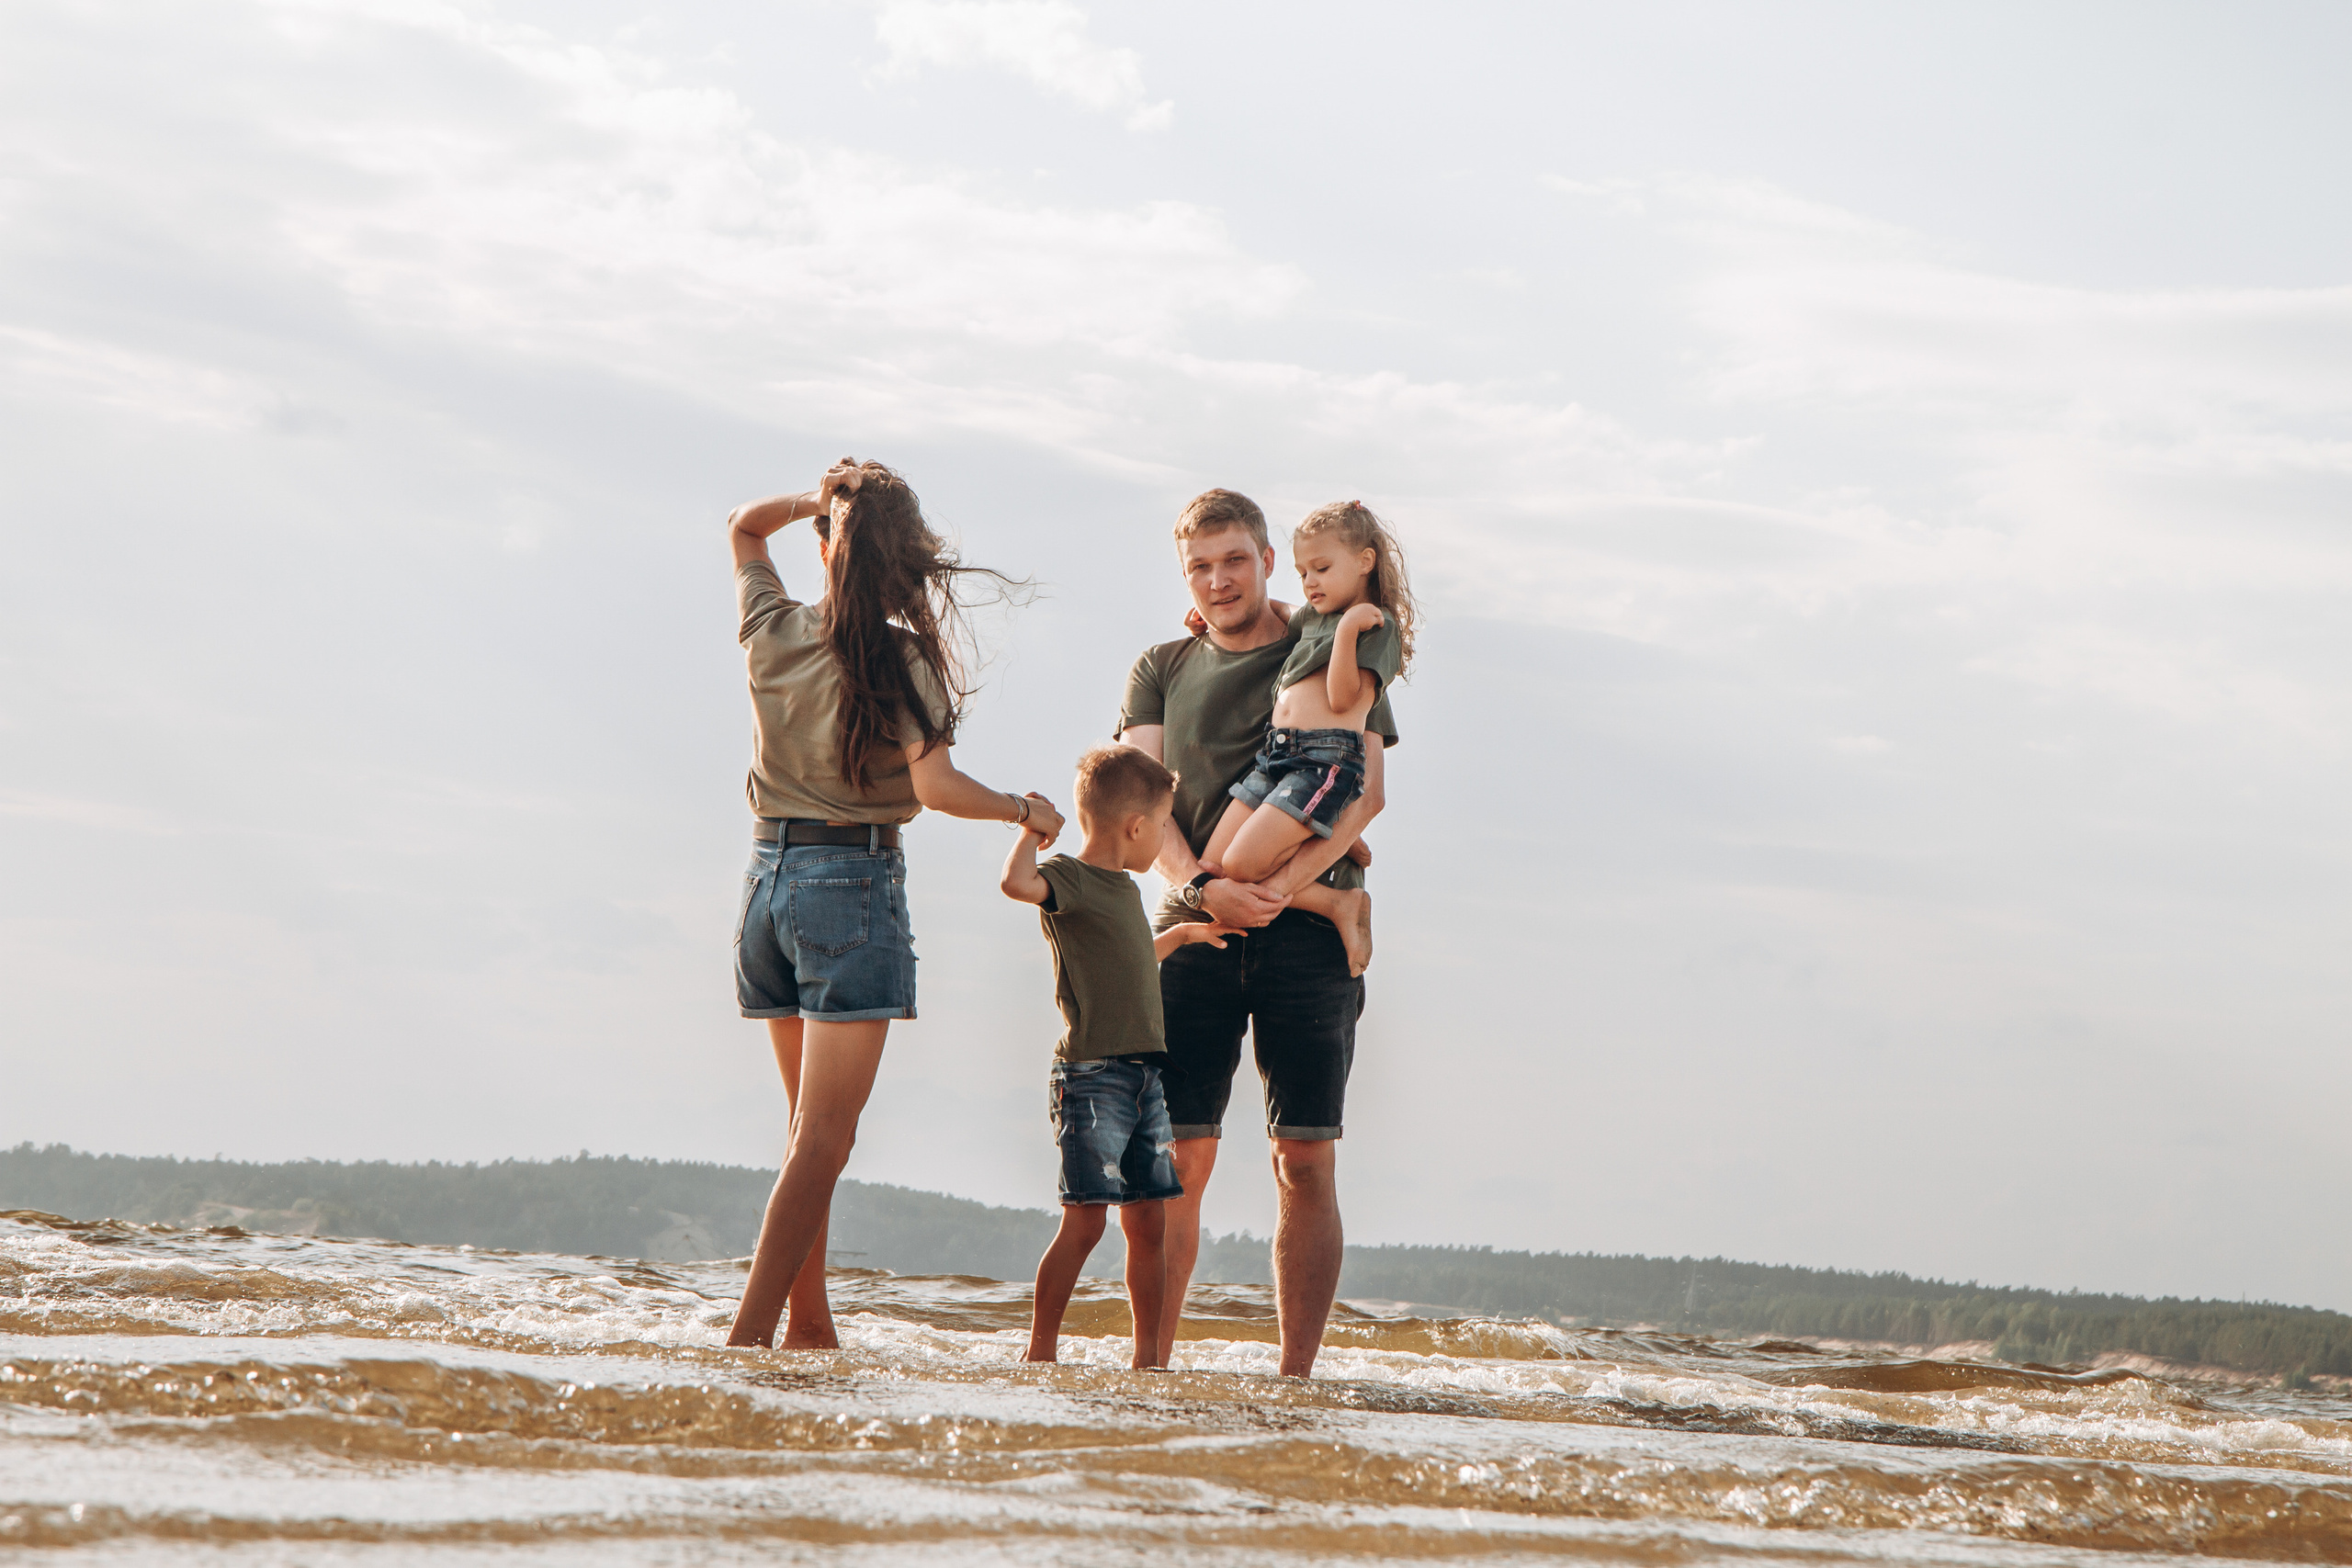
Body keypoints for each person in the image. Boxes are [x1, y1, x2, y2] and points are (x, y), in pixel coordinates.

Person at [724, 458, 1066, 1351]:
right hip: (850, 888)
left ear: (829, 544)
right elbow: (939, 785)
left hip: (766, 885)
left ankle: (810, 1327)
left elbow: (742, 526)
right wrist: (1023, 812)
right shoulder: (900, 657)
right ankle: (747, 1341)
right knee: (824, 1141)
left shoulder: (771, 625)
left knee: (806, 1134)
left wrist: (819, 502)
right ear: (900, 557)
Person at [1116, 489, 1396, 1378]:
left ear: (1268, 560)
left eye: (1233, 558)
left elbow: (1363, 794)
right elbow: (1139, 806)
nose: (1217, 577)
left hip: (1303, 944)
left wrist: (1274, 891)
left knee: (1302, 1159)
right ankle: (1149, 1373)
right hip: (1193, 929)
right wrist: (1203, 885)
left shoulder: (1318, 644)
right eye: (1199, 565)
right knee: (1178, 1159)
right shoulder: (1160, 664)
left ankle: (1294, 1385)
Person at [999, 745, 1236, 1368]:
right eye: (1162, 826)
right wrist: (1030, 830)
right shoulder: (1072, 879)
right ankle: (1039, 1351)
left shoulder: (1127, 891)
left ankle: (1149, 1359)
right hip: (1091, 1077)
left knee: (1150, 1222)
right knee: (1085, 1223)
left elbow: (1131, 961)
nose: (1163, 838)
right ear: (1135, 826)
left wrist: (1181, 935)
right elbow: (1015, 882)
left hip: (1143, 1078)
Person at [1200, 502, 1416, 953]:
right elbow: (1279, 612)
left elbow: (1342, 699)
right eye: (1302, 573)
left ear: (1364, 562)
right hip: (1276, 755)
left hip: (1323, 762)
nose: (1310, 582)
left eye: (1321, 568)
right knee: (1212, 866)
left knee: (1240, 864)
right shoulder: (1314, 616)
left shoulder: (1376, 625)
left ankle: (1337, 901)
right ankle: (1332, 884)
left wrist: (1346, 633)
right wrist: (1212, 615)